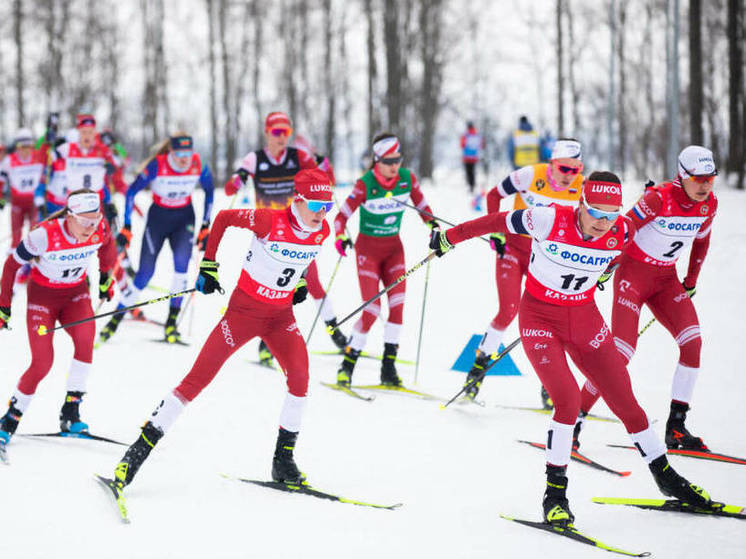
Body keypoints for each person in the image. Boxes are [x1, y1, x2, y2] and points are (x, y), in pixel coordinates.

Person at [429, 172, 715, 526]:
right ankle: (555, 493)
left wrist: (606, 272)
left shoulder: (621, 231)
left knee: (625, 399)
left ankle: (664, 475)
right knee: (565, 400)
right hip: (539, 319)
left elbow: (622, 251)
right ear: (581, 204)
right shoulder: (547, 218)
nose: (603, 223)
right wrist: (448, 237)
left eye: (611, 215)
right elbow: (495, 220)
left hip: (585, 320)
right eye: (596, 212)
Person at [109, 168, 334, 491]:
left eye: (327, 205)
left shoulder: (320, 230)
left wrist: (297, 281)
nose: (321, 213)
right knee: (196, 380)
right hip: (242, 314)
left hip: (281, 318)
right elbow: (225, 218)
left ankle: (283, 461)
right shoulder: (268, 221)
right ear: (297, 200)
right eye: (315, 205)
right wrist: (209, 264)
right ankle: (135, 455)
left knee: (300, 378)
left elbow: (301, 258)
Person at [576, 146, 719, 451]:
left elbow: (702, 242)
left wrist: (691, 280)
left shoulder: (709, 205)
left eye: (710, 178)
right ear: (682, 176)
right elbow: (622, 229)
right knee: (622, 353)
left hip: (666, 280)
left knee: (692, 342)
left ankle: (676, 427)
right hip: (633, 276)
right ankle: (574, 417)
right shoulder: (659, 198)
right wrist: (603, 263)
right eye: (699, 178)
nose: (705, 185)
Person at [462, 139, 584, 402]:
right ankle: (477, 369)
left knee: (556, 317)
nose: (569, 176)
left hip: (546, 259)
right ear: (552, 163)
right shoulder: (529, 175)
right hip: (513, 251)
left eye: (575, 170)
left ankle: (551, 386)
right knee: (509, 311)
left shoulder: (581, 188)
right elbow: (494, 195)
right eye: (565, 169)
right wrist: (496, 230)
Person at [225, 112, 347, 362]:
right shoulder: (254, 158)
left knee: (311, 283)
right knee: (267, 288)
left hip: (296, 231)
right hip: (268, 235)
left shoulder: (299, 157)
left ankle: (334, 330)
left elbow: (327, 183)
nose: (282, 138)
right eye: (277, 132)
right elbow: (229, 189)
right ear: (267, 133)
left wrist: (325, 166)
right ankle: (265, 343)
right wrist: (239, 179)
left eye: (286, 133)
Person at [0, 190, 117, 449]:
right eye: (85, 221)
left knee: (86, 342)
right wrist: (4, 305)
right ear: (69, 216)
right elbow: (11, 266)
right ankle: (9, 420)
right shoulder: (43, 235)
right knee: (43, 362)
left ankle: (70, 413)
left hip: (76, 294)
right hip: (43, 299)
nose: (91, 227)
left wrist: (105, 277)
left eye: (95, 220)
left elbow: (108, 247)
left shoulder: (99, 229)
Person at [333, 133, 438, 387]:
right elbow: (340, 218)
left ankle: (388, 368)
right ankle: (347, 365)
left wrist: (434, 227)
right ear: (377, 160)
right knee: (371, 310)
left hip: (394, 251)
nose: (394, 166)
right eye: (389, 160)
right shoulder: (365, 184)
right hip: (368, 252)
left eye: (398, 160)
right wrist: (340, 237)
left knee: (398, 307)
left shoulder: (406, 179)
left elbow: (424, 210)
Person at [99, 133, 214, 344]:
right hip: (158, 219)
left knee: (181, 271)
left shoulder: (199, 163)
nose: (183, 159)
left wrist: (206, 225)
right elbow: (132, 191)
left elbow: (209, 191)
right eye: (179, 153)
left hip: (184, 219)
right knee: (145, 273)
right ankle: (115, 320)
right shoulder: (158, 165)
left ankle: (171, 325)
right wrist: (127, 226)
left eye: (187, 154)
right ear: (170, 152)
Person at [50, 114, 125, 223]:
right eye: (83, 132)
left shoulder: (102, 150)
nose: (87, 136)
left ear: (95, 133)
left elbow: (119, 163)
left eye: (90, 132)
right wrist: (52, 142)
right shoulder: (68, 149)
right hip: (74, 201)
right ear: (78, 132)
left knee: (97, 235)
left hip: (95, 201)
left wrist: (111, 166)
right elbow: (46, 158)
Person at [0, 129, 47, 284]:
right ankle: (12, 271)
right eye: (22, 147)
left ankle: (31, 269)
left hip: (34, 203)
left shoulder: (37, 157)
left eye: (29, 146)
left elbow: (47, 150)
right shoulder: (10, 160)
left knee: (34, 235)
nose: (25, 150)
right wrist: (1, 197)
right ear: (17, 147)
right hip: (17, 203)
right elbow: (2, 179)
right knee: (16, 237)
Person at [460, 121, 484, 193]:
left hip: (467, 157)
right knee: (473, 171)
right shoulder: (477, 135)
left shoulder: (465, 136)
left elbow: (462, 145)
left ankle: (471, 185)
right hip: (474, 157)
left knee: (468, 172)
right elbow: (482, 145)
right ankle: (473, 185)